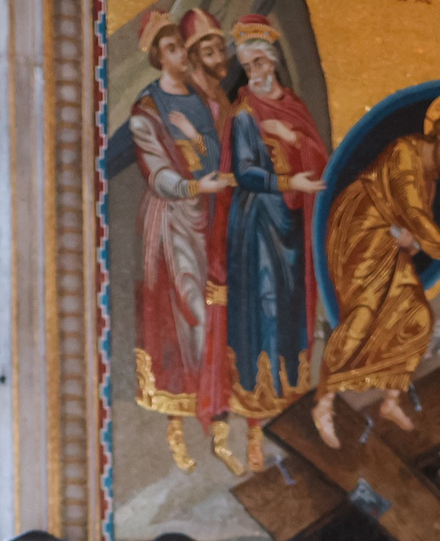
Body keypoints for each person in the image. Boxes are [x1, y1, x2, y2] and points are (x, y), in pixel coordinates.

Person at [309, 105, 440, 450]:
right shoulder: (406, 151)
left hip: (389, 246)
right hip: (359, 233)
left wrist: (408, 238)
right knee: (361, 317)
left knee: (417, 317)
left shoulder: (431, 180)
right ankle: (324, 403)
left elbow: (414, 229)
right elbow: (412, 212)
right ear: (437, 134)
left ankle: (391, 400)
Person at [129, 8, 241, 475]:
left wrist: (199, 143)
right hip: (175, 221)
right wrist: (200, 185)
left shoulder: (205, 100)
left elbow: (221, 150)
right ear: (158, 57)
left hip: (213, 223)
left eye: (181, 46)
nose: (180, 54)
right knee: (190, 314)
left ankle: (218, 426)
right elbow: (160, 177)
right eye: (171, 48)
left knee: (217, 320)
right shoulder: (146, 113)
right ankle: (180, 428)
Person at [223, 15, 328, 466]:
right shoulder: (243, 112)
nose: (255, 72)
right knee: (261, 318)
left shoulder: (294, 106)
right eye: (247, 66)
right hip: (256, 229)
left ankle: (292, 424)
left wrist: (294, 137)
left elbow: (322, 158)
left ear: (273, 61)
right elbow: (244, 171)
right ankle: (254, 432)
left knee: (289, 317)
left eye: (260, 62)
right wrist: (289, 181)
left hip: (292, 228)